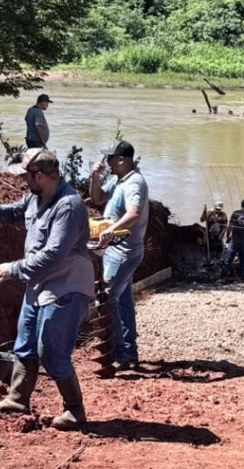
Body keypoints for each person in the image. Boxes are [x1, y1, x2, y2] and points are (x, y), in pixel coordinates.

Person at [0, 148, 94, 430]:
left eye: (26, 176)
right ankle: (18, 399)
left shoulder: (68, 206)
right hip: (39, 284)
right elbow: (14, 212)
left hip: (66, 286)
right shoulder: (35, 197)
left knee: (52, 351)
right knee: (25, 343)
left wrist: (15, 268)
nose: (24, 181)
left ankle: (75, 410)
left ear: (40, 176)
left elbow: (54, 254)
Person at [89, 140, 149, 370]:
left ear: (122, 160)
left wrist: (110, 230)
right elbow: (97, 198)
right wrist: (95, 175)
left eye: (111, 159)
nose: (108, 162)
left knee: (107, 300)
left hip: (124, 252)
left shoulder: (134, 183)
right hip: (115, 249)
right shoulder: (119, 180)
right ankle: (129, 352)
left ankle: (119, 355)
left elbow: (134, 213)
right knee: (123, 302)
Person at [223, 199, 244, 280]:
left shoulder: (235, 213)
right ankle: (241, 278)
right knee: (243, 261)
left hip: (235, 240)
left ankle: (223, 277)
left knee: (228, 259)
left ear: (241, 205)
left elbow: (230, 226)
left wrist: (227, 236)